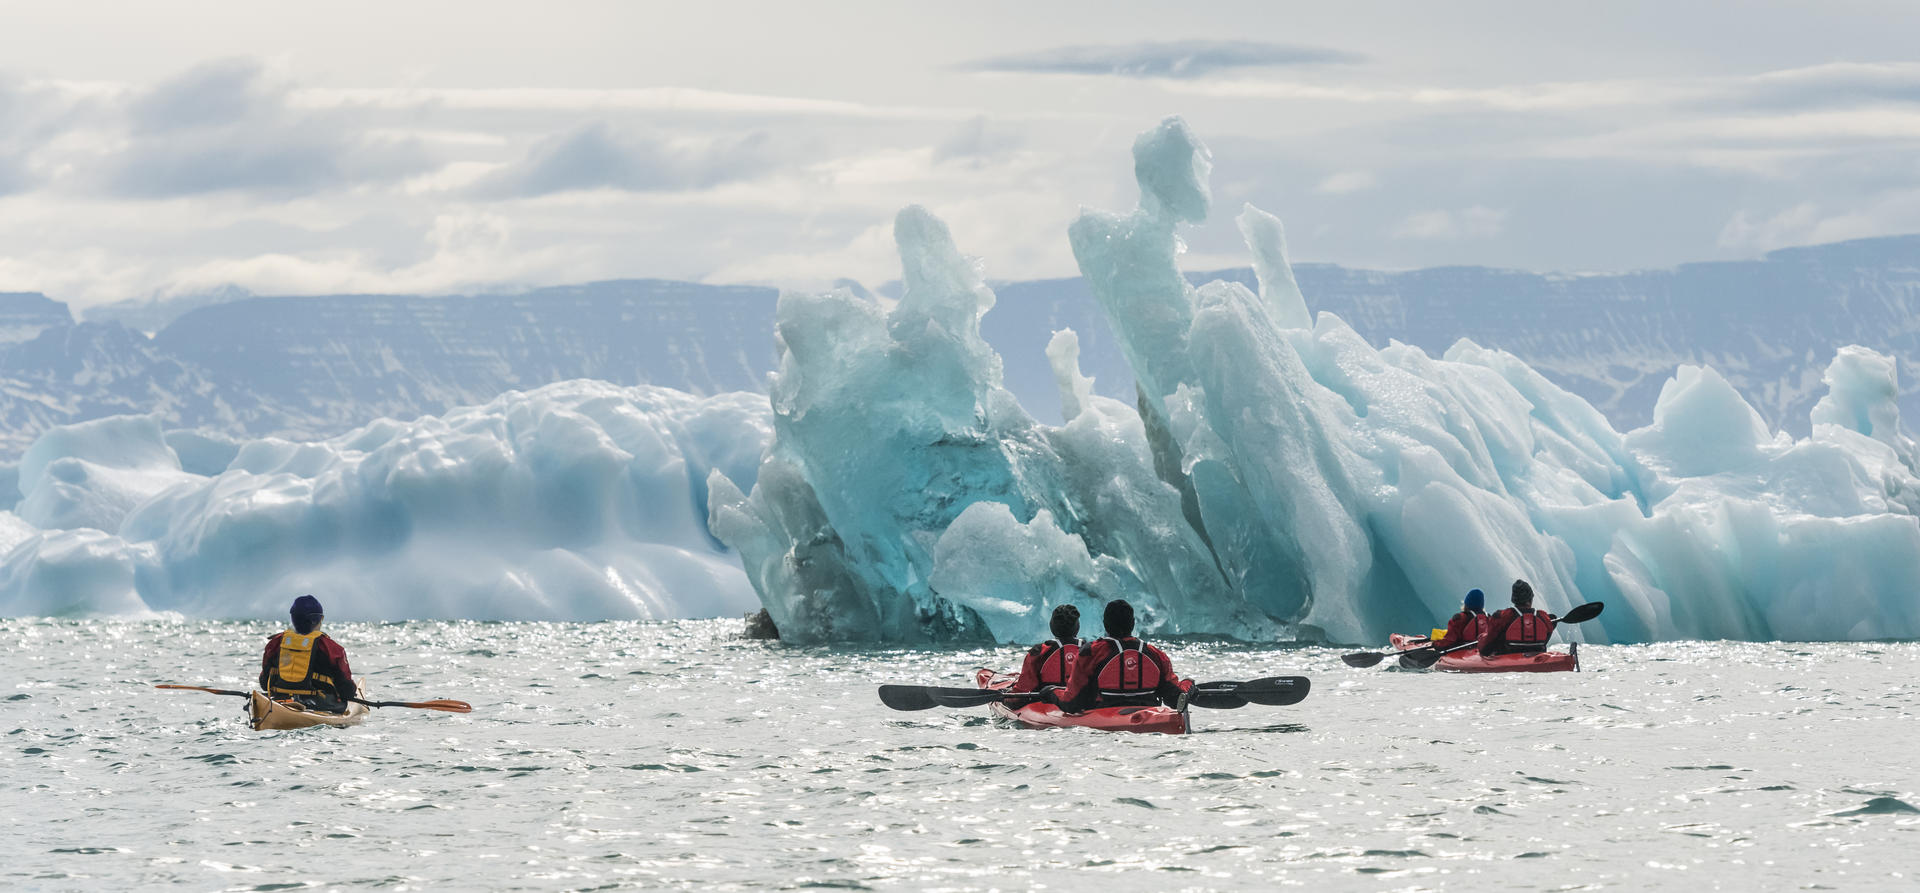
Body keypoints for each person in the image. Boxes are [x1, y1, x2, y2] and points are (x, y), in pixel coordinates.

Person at [1057, 599, 1191, 712]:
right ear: (1133, 623)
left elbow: (1072, 703)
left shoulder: (1091, 652)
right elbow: (1174, 698)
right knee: (1183, 688)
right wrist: (1188, 685)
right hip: (1149, 713)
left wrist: (1050, 692)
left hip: (1102, 714)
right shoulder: (1155, 654)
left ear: (1105, 624)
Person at [260, 595, 358, 712]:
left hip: (280, 699)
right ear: (319, 619)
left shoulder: (275, 643)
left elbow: (264, 683)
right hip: (320, 704)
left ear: (293, 618)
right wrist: (351, 696)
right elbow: (346, 690)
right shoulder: (332, 648)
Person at [1011, 605, 1083, 694]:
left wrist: (1008, 700)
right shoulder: (1091, 650)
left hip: (1046, 701)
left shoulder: (1039, 652)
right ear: (1077, 627)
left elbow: (1024, 688)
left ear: (1052, 626)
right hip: (1085, 702)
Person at [1479, 579, 1557, 656]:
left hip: (1507, 657)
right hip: (1536, 656)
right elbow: (1548, 631)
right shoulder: (1543, 616)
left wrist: (1481, 640)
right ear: (1530, 599)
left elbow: (1486, 648)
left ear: (1514, 599)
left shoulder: (1503, 616)